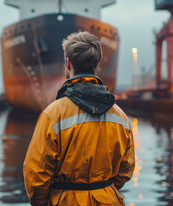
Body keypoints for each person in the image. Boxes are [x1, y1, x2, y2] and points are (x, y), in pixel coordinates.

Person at [23, 31, 135, 206]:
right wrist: (102, 191)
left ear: (68, 63)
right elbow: (126, 169)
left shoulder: (52, 115)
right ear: (96, 64)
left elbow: (36, 176)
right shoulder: (120, 116)